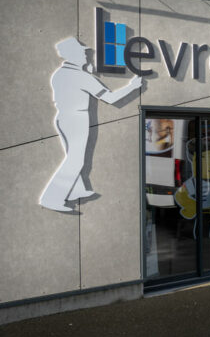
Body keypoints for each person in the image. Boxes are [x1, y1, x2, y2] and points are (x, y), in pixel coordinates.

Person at [40, 38, 143, 212]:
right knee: (76, 160)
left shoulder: (61, 73)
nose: (86, 55)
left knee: (72, 155)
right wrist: (133, 86)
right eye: (82, 52)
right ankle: (52, 198)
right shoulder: (80, 76)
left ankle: (76, 190)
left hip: (64, 118)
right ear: (73, 54)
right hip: (77, 119)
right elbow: (110, 98)